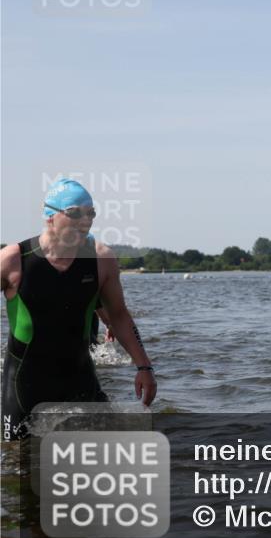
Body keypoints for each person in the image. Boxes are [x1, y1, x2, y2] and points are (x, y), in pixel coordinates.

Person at [1, 179, 156, 440]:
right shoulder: (14, 259)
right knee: (19, 467)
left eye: (91, 213)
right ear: (50, 216)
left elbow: (118, 315)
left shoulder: (101, 259)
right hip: (25, 382)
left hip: (79, 376)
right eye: (74, 213)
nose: (85, 220)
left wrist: (144, 367)